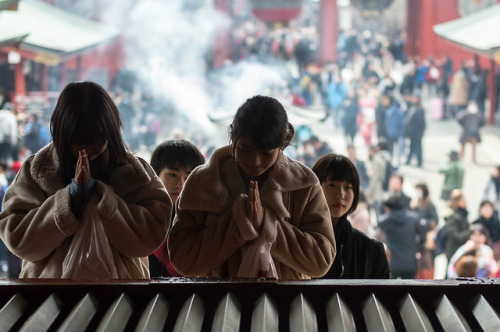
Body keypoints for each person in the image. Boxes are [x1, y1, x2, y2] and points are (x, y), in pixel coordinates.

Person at [0, 81, 172, 279]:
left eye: (96, 140)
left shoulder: (135, 173)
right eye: (77, 142)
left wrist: (102, 199)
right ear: (61, 133)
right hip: (49, 297)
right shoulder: (37, 170)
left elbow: (151, 236)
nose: (87, 150)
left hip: (122, 297)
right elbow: (17, 238)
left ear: (111, 131)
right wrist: (69, 200)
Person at [168, 95, 335, 280]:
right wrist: (237, 222)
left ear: (284, 142)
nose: (255, 162)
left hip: (287, 305)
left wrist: (268, 225)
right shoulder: (203, 181)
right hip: (221, 303)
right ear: (232, 135)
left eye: (266, 153)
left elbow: (321, 260)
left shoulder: (304, 184)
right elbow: (181, 259)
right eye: (245, 150)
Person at [312, 153, 390, 279]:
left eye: (348, 187)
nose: (341, 194)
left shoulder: (372, 250)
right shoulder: (299, 242)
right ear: (314, 189)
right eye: (332, 185)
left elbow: (383, 298)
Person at [148, 139, 205, 278]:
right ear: (155, 175)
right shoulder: (145, 219)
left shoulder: (202, 220)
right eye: (173, 175)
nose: (181, 184)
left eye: (189, 177)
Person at [378, 195, 420, 279]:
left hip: (392, 264)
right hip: (410, 263)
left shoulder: (384, 221)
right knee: (409, 290)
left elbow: (379, 238)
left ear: (388, 208)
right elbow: (422, 239)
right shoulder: (413, 219)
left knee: (391, 290)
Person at [443, 189, 471, 265]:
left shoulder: (463, 215)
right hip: (453, 251)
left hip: (461, 250)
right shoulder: (452, 216)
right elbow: (455, 236)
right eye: (463, 199)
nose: (465, 202)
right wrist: (469, 232)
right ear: (457, 202)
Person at [404, 90, 426, 167]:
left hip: (416, 133)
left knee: (417, 148)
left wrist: (419, 133)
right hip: (412, 133)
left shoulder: (419, 109)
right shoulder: (413, 107)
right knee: (412, 147)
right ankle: (409, 160)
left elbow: (421, 124)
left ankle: (419, 161)